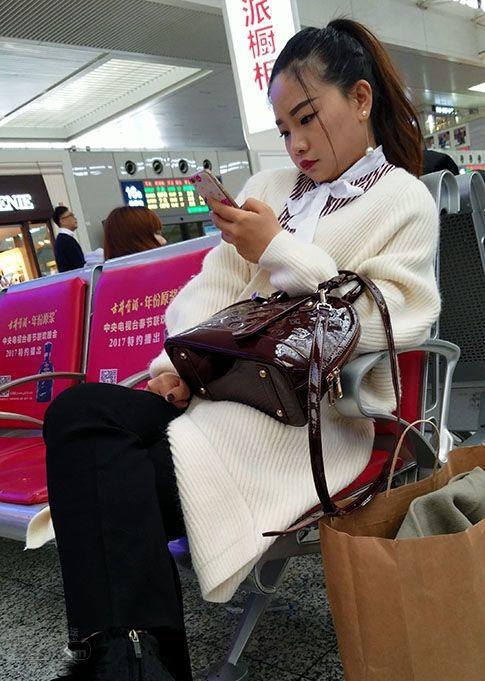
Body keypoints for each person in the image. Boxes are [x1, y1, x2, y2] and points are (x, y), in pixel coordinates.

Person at [35, 18, 440, 681]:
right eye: (283, 129)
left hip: (303, 418)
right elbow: (210, 290)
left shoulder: (403, 200)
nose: (296, 142)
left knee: (116, 472)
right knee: (79, 414)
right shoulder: (270, 189)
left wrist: (276, 249)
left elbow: (390, 319)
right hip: (214, 390)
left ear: (360, 98)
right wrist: (172, 367)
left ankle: (129, 661)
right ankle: (130, 660)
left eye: (307, 117)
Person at [53, 206, 85, 272]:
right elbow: (78, 265)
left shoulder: (63, 239)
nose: (75, 218)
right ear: (62, 221)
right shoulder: (65, 240)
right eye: (71, 215)